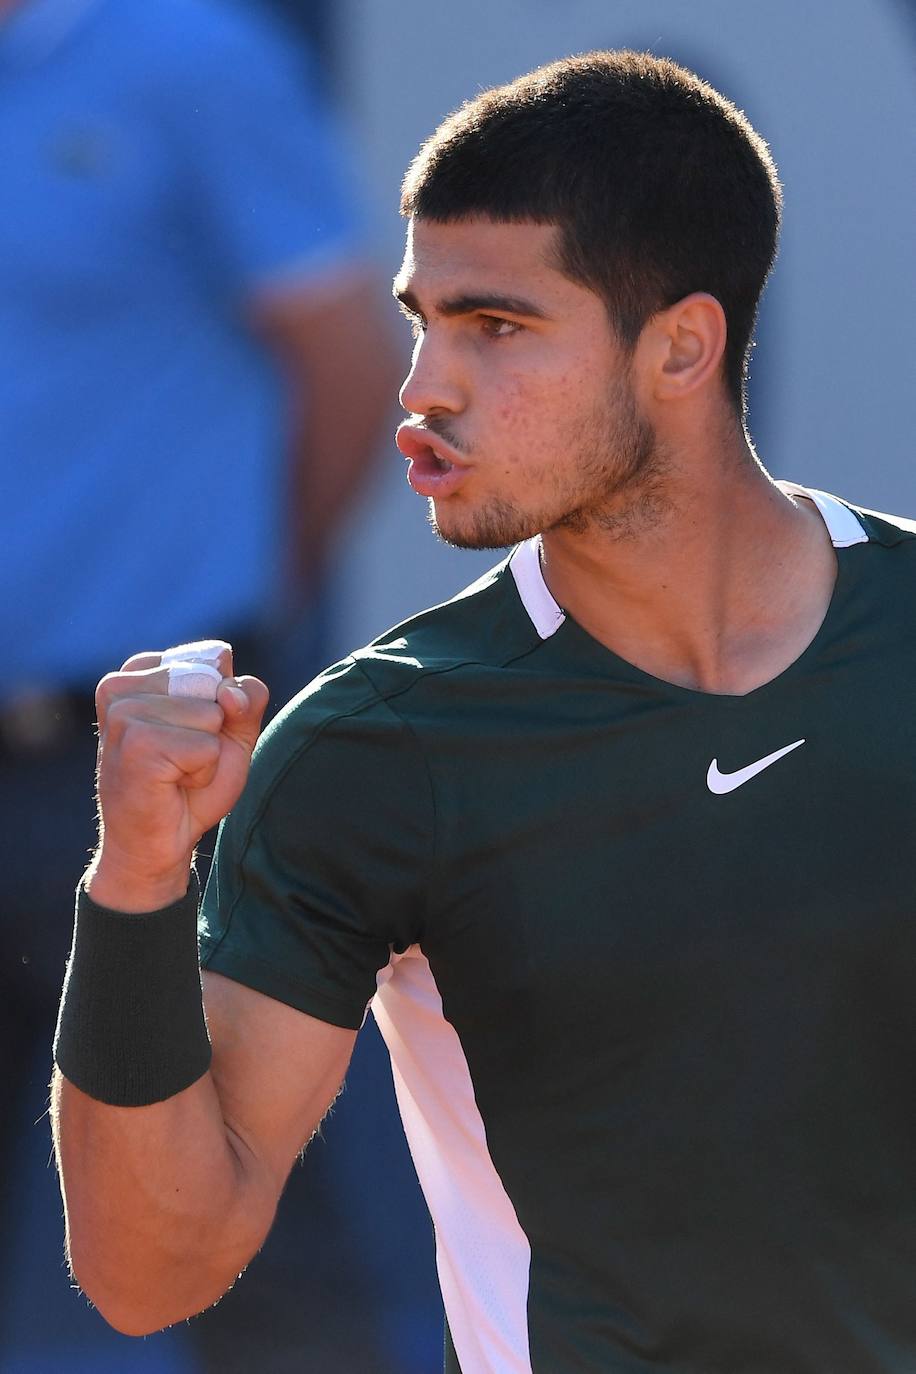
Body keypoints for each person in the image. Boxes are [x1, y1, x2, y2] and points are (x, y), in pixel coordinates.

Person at [51, 49, 916, 1374]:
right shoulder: (370, 745)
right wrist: (137, 878)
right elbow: (149, 1265)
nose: (424, 388)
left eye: (495, 327)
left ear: (682, 344)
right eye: (421, 319)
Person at [0, 0, 400, 1367]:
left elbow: (350, 363)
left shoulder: (194, 63)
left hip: (144, 766)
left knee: (241, 1215)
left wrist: (245, 616)